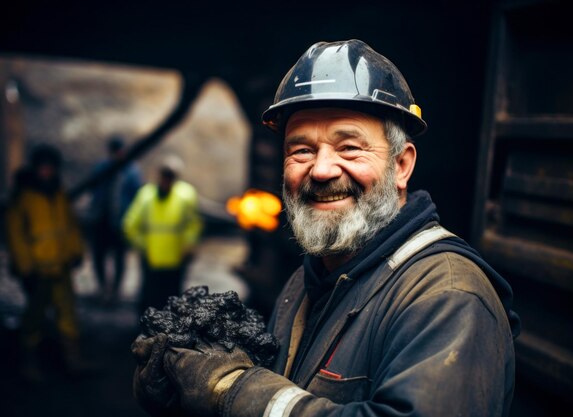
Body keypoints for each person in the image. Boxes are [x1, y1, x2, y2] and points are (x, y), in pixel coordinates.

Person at [131, 39, 521, 417]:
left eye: (350, 147)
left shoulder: (448, 297)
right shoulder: (307, 280)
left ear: (401, 166)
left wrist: (233, 391)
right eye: (301, 150)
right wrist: (188, 396)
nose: (321, 170)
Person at [5, 143, 89, 382]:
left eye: (50, 167)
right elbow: (16, 236)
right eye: (43, 167)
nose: (46, 171)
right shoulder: (23, 197)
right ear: (35, 168)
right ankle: (29, 363)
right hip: (38, 270)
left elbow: (70, 226)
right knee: (34, 317)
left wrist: (75, 252)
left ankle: (73, 360)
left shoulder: (58, 193)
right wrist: (25, 268)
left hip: (60, 267)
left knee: (68, 314)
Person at [123, 154, 203, 315]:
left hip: (175, 259)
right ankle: (147, 332)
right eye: (165, 176)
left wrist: (188, 245)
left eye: (170, 176)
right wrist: (143, 245)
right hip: (153, 259)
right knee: (151, 299)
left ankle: (168, 333)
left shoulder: (185, 196)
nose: (167, 180)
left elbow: (193, 224)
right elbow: (129, 225)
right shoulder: (147, 196)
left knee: (170, 301)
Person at [87, 136, 142, 305]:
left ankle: (116, 290)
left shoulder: (131, 172)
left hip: (120, 222)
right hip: (102, 219)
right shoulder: (102, 168)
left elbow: (136, 196)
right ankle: (103, 287)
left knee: (119, 257)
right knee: (99, 256)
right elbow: (93, 188)